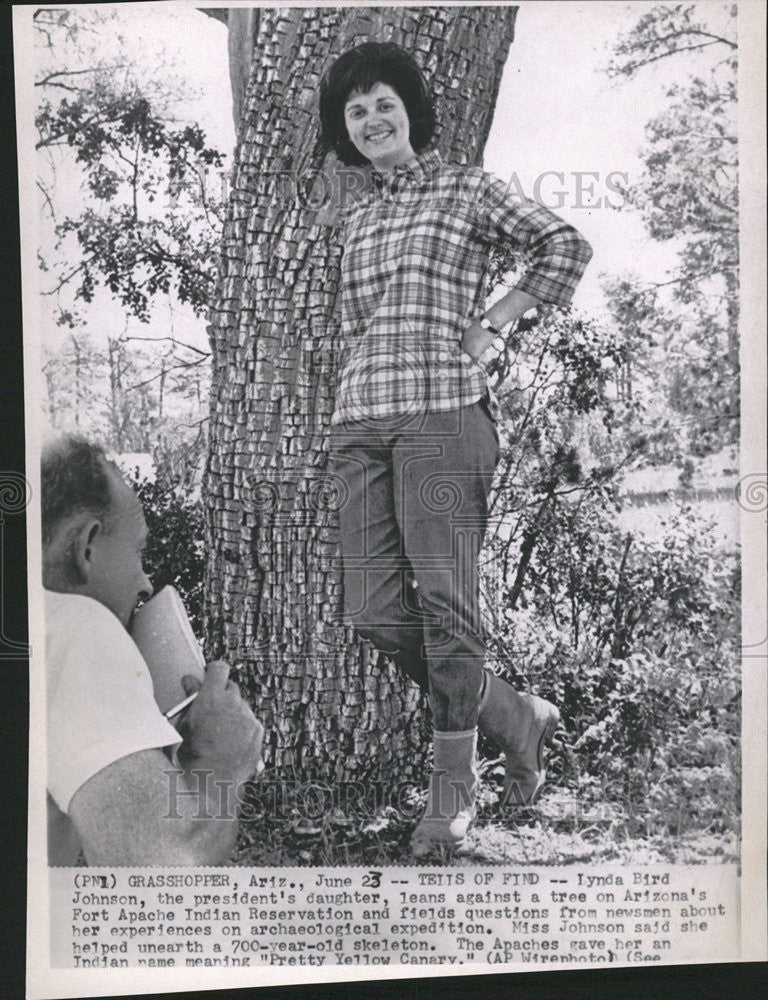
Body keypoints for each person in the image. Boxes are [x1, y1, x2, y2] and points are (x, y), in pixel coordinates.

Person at [319, 42, 593, 856]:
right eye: (355, 110)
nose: (371, 119)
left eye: (382, 103)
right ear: (346, 129)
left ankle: (452, 792)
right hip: (361, 421)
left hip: (443, 412)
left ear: (410, 108)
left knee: (446, 608)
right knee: (374, 612)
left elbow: (564, 244)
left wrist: (494, 323)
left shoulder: (466, 188)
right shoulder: (357, 218)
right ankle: (515, 713)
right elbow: (356, 327)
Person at [41, 434, 264, 866]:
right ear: (86, 547)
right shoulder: (75, 627)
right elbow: (165, 872)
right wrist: (221, 764)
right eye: (139, 550)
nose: (145, 582)